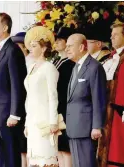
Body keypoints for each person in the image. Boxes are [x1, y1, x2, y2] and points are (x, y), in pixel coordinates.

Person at [97, 23, 124, 167]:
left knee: (123, 153)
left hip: (123, 113)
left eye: (115, 35)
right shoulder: (111, 57)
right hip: (108, 114)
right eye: (111, 35)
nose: (112, 38)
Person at [0, 12, 27, 167]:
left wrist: (15, 114)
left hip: (8, 116)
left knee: (10, 156)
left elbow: (17, 84)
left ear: (5, 27)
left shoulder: (13, 51)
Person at [65, 33, 106, 167]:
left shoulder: (94, 67)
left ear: (82, 47)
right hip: (74, 126)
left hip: (86, 127)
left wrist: (97, 126)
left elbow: (98, 98)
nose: (67, 49)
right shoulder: (76, 66)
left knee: (86, 163)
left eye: (70, 46)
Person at [23, 26, 59, 166]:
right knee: (33, 159)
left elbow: (52, 95)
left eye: (34, 46)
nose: (30, 49)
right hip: (32, 120)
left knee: (45, 158)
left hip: (45, 120)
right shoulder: (31, 68)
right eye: (29, 46)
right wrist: (27, 123)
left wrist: (53, 121)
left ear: (43, 49)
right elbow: (28, 98)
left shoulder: (49, 68)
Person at [53, 26, 75, 167]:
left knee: (66, 149)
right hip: (56, 107)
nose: (57, 42)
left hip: (64, 107)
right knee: (58, 148)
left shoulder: (70, 64)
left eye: (60, 39)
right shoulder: (56, 61)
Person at [11, 31, 29, 167]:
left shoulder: (32, 62)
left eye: (20, 47)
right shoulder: (17, 62)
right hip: (18, 108)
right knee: (20, 147)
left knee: (27, 146)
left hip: (28, 108)